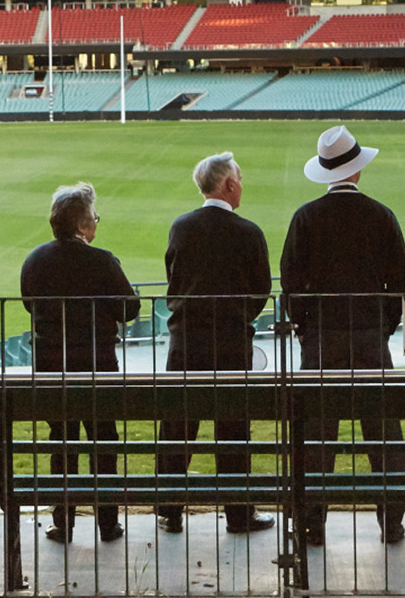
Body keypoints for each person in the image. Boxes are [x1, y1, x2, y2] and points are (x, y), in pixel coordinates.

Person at [281, 126, 405, 548]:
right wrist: (382, 326)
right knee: (383, 434)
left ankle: (313, 524)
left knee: (318, 436)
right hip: (370, 336)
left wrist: (306, 328)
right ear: (357, 171)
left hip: (321, 339)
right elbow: (398, 286)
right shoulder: (383, 216)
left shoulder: (305, 218)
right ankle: (391, 521)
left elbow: (291, 284)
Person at [156, 152, 273, 536]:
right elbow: (261, 291)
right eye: (239, 177)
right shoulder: (249, 232)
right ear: (228, 184)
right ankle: (239, 515)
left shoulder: (181, 227)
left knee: (177, 428)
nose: (242, 183)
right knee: (234, 430)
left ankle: (170, 510)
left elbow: (173, 278)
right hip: (231, 343)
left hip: (185, 343)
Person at [20, 182, 140, 544]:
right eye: (95, 219)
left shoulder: (36, 260)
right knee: (103, 441)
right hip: (96, 361)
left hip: (51, 364)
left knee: (62, 443)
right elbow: (129, 309)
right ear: (84, 226)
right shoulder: (102, 260)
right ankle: (108, 523)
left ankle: (64, 522)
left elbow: (29, 304)